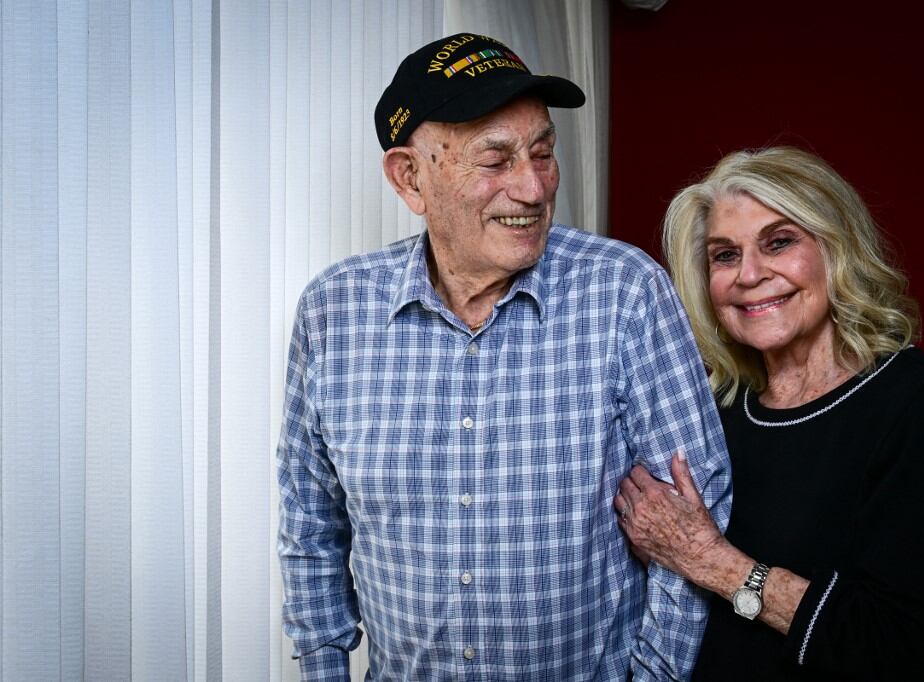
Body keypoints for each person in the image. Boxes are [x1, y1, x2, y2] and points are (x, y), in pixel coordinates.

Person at [276, 32, 732, 681]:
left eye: (543, 152)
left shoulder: (625, 291)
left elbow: (699, 505)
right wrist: (324, 670)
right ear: (411, 178)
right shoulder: (333, 313)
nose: (533, 187)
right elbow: (309, 521)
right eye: (496, 160)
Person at [615, 146, 924, 680]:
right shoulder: (709, 408)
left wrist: (708, 559)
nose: (749, 274)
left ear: (836, 251)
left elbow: (909, 645)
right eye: (724, 255)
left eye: (779, 242)